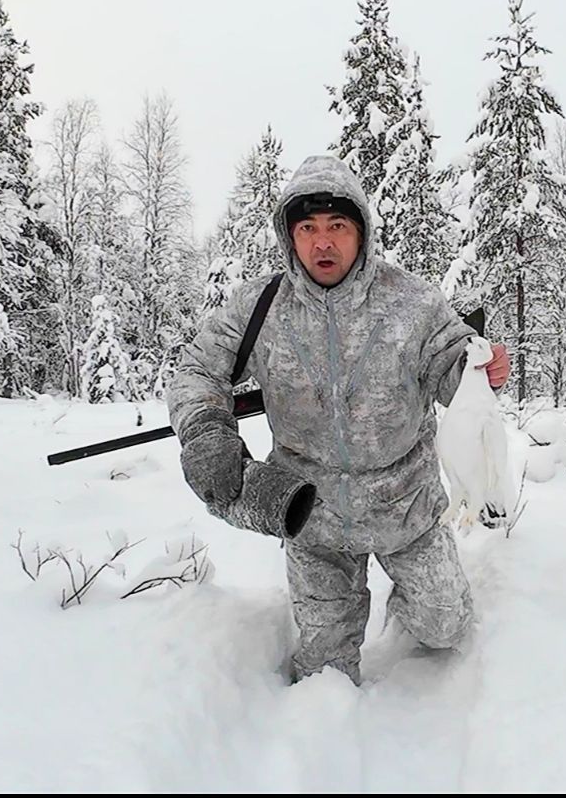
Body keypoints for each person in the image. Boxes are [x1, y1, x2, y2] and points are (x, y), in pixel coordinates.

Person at [167, 153, 510, 685]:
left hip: (407, 509)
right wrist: (206, 428)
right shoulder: (259, 307)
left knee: (445, 626)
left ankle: (405, 609)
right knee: (323, 673)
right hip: (312, 517)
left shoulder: (412, 302)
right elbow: (197, 367)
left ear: (362, 232)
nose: (322, 243)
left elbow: (452, 366)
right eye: (307, 228)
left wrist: (478, 369)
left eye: (336, 226)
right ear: (289, 235)